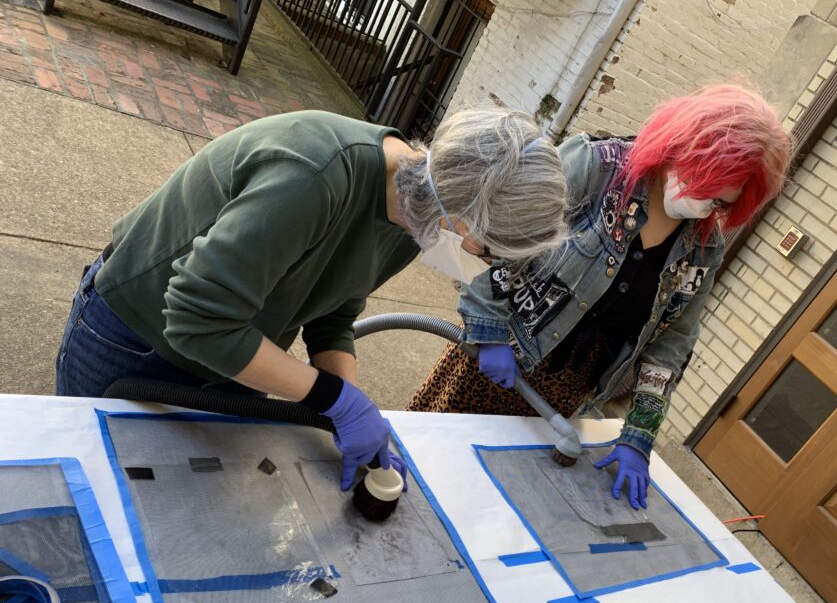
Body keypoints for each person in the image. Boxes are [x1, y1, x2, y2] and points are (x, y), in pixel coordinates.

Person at [55, 108, 568, 490]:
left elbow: (336, 305)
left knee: (180, 498)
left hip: (235, 354)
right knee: (86, 491)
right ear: (463, 208)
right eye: (489, 247)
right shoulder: (316, 176)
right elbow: (197, 321)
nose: (483, 262)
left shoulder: (418, 210)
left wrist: (352, 400)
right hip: (134, 335)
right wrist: (331, 400)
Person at [410, 85, 791, 509]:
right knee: (432, 463)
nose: (705, 206)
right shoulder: (596, 168)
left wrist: (639, 433)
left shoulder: (704, 249)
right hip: (497, 360)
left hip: (567, 392)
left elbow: (672, 342)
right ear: (682, 145)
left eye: (720, 202)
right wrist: (486, 329)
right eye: (705, 184)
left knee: (495, 498)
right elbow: (499, 234)